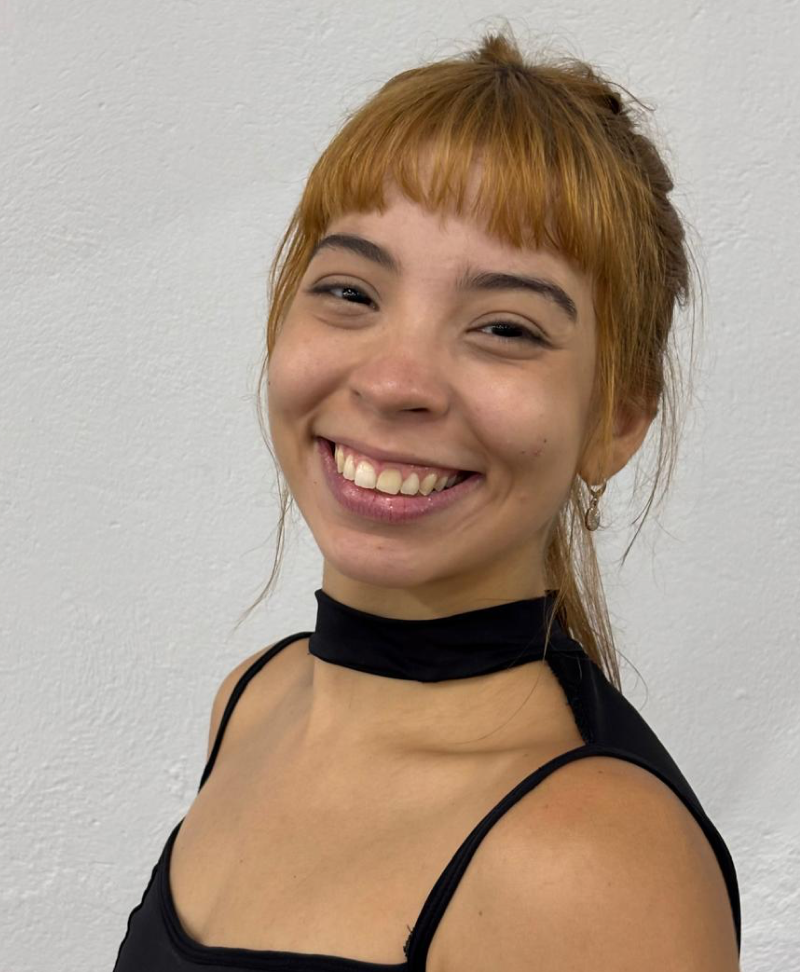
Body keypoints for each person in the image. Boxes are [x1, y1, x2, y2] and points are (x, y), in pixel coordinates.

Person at [114, 28, 741, 971]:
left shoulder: (596, 862)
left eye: (505, 328)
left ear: (616, 421)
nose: (394, 381)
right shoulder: (253, 699)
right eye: (351, 292)